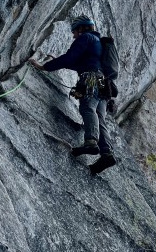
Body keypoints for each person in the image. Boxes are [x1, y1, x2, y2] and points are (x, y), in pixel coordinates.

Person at [27, 15, 117, 174]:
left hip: (91, 77)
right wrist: (59, 63)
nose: (73, 35)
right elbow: (83, 63)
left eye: (74, 32)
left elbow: (70, 58)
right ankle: (106, 153)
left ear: (82, 28)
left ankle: (91, 141)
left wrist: (44, 67)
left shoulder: (86, 38)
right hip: (104, 83)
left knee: (87, 107)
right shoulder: (99, 44)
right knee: (99, 116)